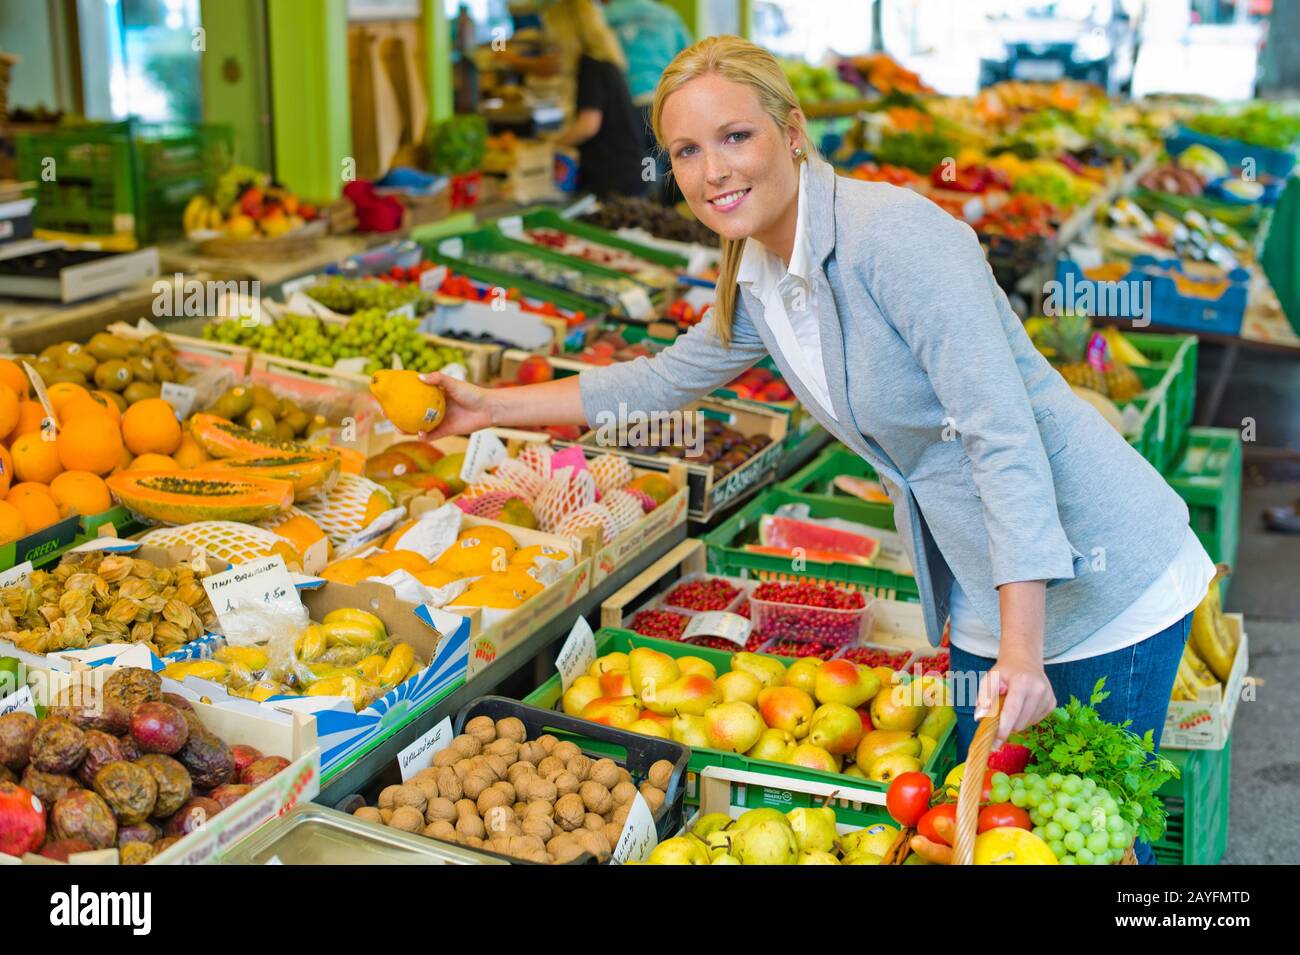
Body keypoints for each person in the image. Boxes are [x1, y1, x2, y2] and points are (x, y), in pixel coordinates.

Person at [418, 36, 1212, 864]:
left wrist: (1021, 649)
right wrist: (488, 408)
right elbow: (658, 381)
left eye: (736, 137)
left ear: (792, 131)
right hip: (987, 582)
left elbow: (1000, 436)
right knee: (994, 838)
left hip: (1099, 575)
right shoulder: (760, 274)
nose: (712, 170)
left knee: (1100, 840)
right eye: (686, 151)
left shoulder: (897, 238)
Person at [545, 0, 647, 198]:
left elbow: (588, 125)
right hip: (629, 169)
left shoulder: (590, 67)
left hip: (614, 175)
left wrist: (552, 145)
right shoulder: (606, 62)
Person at [600, 0, 693, 145]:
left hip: (625, 104)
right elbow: (689, 57)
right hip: (662, 99)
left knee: (633, 162)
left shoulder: (605, 16)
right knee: (663, 158)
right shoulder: (667, 15)